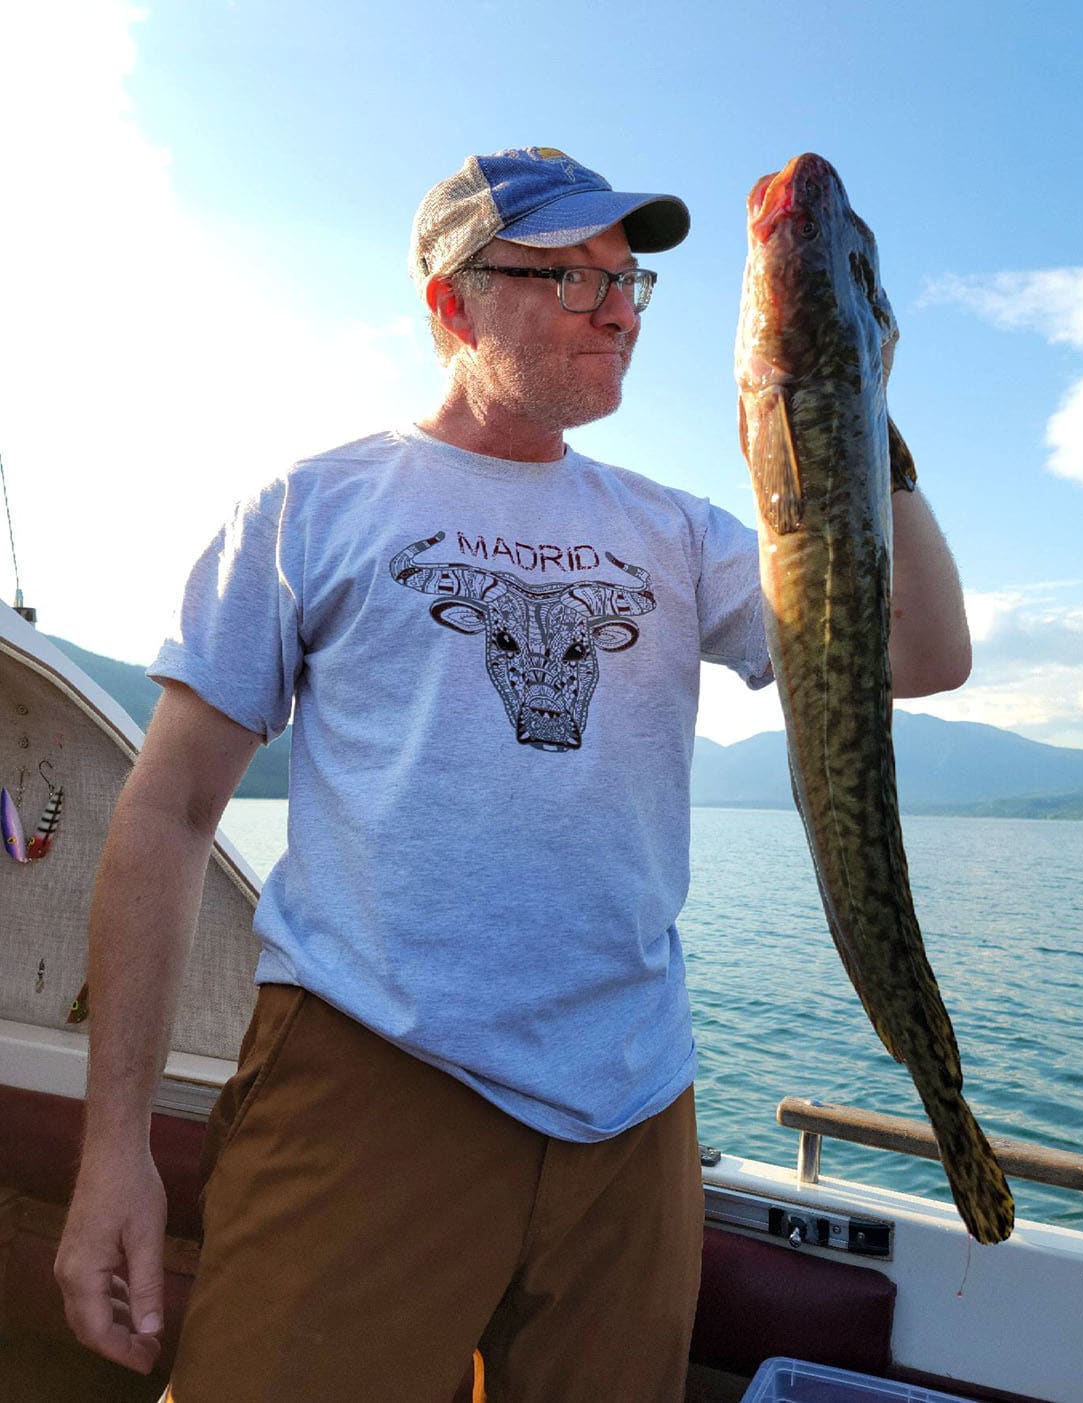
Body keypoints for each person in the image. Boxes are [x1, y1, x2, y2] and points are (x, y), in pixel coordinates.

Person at [54, 147, 971, 1402]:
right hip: (371, 1077)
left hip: (634, 1103)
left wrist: (864, 402)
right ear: (452, 301)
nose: (616, 308)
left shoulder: (684, 535)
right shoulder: (309, 508)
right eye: (567, 276)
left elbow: (922, 652)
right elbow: (164, 818)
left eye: (626, 279)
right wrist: (117, 1147)